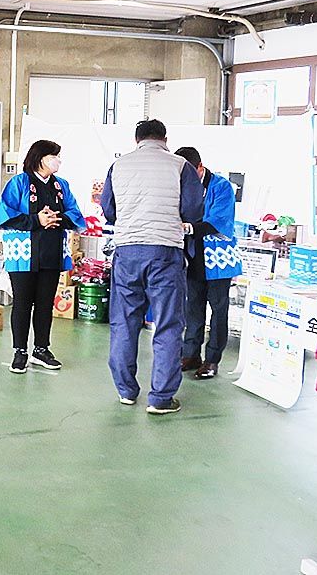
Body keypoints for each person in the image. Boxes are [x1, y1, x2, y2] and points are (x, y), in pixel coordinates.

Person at [101, 119, 203, 415]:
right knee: (168, 323)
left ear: (137, 140)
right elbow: (193, 210)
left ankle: (126, 391)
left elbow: (108, 210)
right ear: (165, 139)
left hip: (127, 251)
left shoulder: (118, 166)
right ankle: (160, 398)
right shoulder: (181, 166)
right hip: (165, 251)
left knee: (124, 321)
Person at [0, 139, 86, 374]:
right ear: (40, 158)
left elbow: (75, 212)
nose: (58, 161)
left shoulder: (61, 185)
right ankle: (20, 352)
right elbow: (5, 215)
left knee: (46, 304)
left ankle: (41, 349)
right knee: (23, 303)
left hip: (51, 251)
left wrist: (57, 218)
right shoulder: (19, 183)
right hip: (23, 253)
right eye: (54, 156)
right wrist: (37, 219)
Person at [175, 147, 243, 380]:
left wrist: (189, 227)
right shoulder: (180, 186)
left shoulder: (222, 186)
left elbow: (219, 220)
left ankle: (212, 360)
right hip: (193, 255)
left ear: (200, 167)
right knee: (193, 308)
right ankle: (191, 354)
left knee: (218, 309)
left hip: (218, 259)